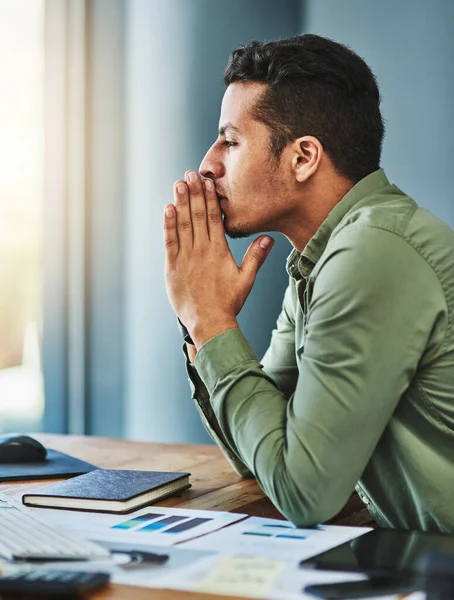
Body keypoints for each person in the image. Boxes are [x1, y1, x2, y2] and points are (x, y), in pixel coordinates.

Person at [163, 34, 454, 532]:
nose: (208, 164)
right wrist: (202, 328)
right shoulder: (320, 257)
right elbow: (263, 457)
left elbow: (304, 493)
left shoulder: (372, 251)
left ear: (303, 157)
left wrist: (211, 321)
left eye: (231, 141)